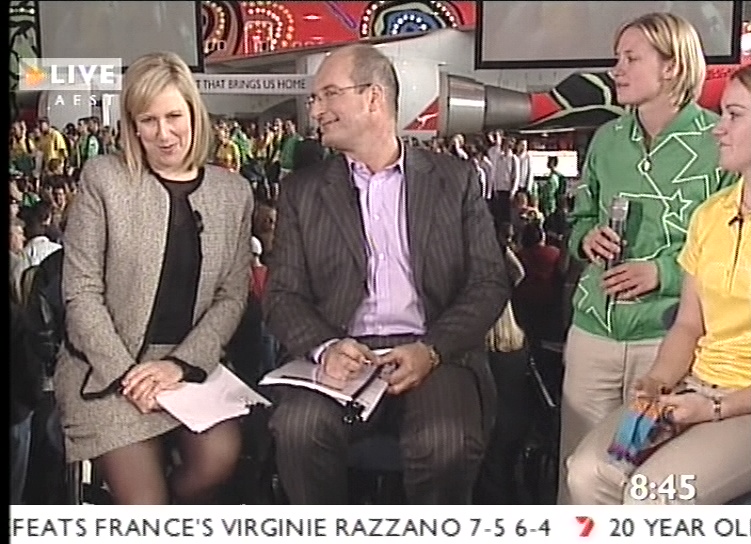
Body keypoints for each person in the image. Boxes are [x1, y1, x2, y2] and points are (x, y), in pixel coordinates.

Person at [263, 43, 508, 505]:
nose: (316, 110)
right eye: (315, 98)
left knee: (445, 442)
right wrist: (326, 347)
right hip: (341, 354)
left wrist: (432, 350)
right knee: (297, 429)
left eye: (329, 94)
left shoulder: (454, 180)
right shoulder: (302, 191)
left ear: (373, 97)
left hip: (433, 352)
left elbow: (488, 282)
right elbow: (282, 295)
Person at [53, 51, 253, 505]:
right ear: (133, 126)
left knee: (219, 459)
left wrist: (179, 365)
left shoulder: (233, 193)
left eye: (174, 116)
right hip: (106, 369)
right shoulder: (104, 179)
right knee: (146, 505)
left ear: (194, 115)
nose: (164, 133)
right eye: (149, 120)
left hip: (188, 368)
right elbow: (81, 293)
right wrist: (129, 376)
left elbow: (231, 296)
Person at [557, 12, 739, 503]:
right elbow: (580, 218)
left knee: (645, 479)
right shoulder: (607, 140)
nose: (616, 69)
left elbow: (730, 248)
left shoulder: (720, 142)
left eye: (631, 58)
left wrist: (661, 272)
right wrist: (586, 239)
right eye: (617, 57)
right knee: (579, 475)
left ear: (672, 66)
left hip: (668, 341)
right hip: (594, 331)